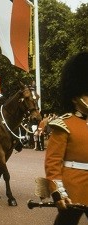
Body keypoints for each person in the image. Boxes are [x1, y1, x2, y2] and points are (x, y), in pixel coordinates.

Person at [44, 52, 88, 225]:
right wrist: (58, 191)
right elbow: (53, 163)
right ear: (75, 97)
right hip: (73, 189)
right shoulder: (64, 124)